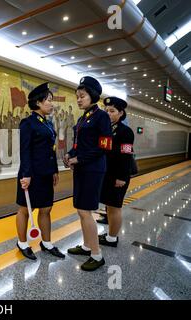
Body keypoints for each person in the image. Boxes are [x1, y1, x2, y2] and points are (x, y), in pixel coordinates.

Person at [63, 76, 112, 271]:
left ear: (92, 96)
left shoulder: (101, 117)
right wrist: (70, 154)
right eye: (77, 96)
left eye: (82, 96)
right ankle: (86, 246)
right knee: (80, 210)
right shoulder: (83, 118)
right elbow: (79, 145)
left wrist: (79, 159)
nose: (79, 100)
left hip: (92, 169)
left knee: (86, 211)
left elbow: (104, 147)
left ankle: (97, 254)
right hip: (82, 169)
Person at [16, 82, 64, 260]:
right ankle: (22, 242)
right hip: (31, 174)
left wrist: (55, 170)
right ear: (38, 103)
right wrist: (26, 175)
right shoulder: (28, 123)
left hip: (45, 174)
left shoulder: (48, 123)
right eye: (48, 100)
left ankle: (46, 242)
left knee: (46, 209)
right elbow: (25, 151)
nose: (51, 104)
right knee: (25, 210)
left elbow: (51, 150)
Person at [99, 97, 134, 247]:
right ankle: (110, 234)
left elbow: (127, 155)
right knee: (109, 206)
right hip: (107, 174)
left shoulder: (125, 132)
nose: (108, 113)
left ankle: (112, 238)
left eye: (112, 111)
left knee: (115, 207)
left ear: (121, 113)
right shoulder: (106, 129)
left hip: (118, 176)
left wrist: (121, 177)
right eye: (106, 110)